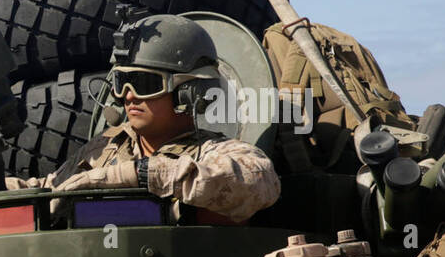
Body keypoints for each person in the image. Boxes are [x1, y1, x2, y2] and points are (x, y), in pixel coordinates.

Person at [21, 14, 281, 222]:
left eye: (144, 83)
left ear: (188, 92)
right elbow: (51, 187)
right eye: (121, 82)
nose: (128, 97)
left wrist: (141, 174)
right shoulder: (104, 148)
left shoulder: (213, 153)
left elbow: (260, 182)